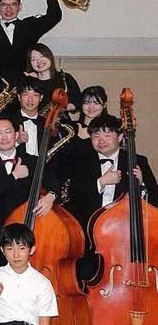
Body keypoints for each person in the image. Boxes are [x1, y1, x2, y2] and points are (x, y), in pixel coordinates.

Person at [64, 114, 157, 280]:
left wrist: (142, 184)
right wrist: (101, 182)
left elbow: (154, 201)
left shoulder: (138, 161)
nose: (101, 140)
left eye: (107, 135)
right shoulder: (80, 162)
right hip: (89, 237)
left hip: (125, 237)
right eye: (96, 135)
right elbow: (73, 196)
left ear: (120, 137)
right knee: (85, 275)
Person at [0, 117, 58, 272]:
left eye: (8, 131)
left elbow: (55, 181)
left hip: (25, 230)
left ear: (17, 135)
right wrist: (14, 176)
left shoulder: (33, 161)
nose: (4, 137)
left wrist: (51, 196)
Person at [0, 0, 61, 81]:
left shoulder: (30, 25)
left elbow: (54, 16)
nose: (9, 9)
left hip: (27, 81)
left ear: (20, 7)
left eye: (13, 5)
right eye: (4, 5)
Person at [25, 43, 81, 115]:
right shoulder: (29, 82)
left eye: (42, 56)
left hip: (60, 119)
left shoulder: (65, 78)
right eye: (34, 59)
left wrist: (62, 108)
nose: (39, 61)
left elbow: (78, 101)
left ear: (50, 56)